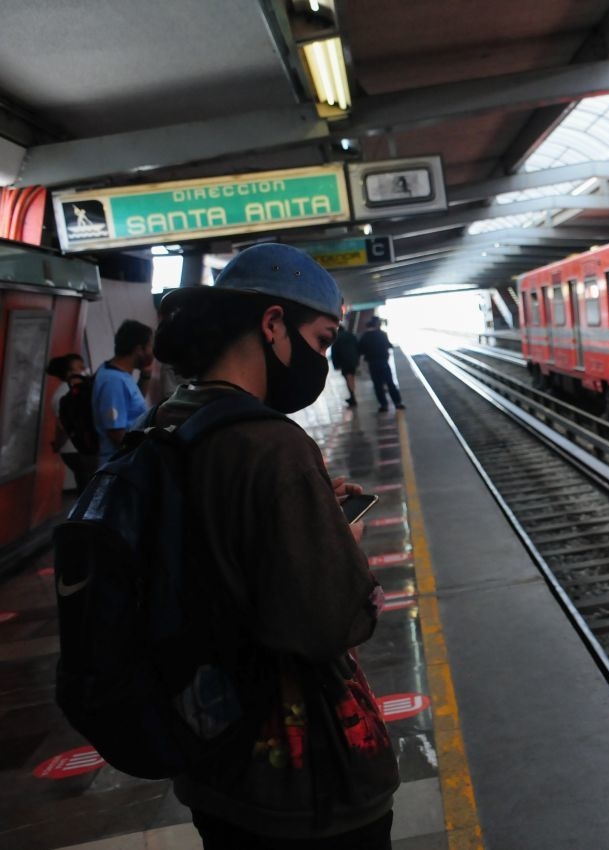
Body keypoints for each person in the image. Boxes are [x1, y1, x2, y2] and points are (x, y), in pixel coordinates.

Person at [153, 243, 399, 848]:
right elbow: (327, 621)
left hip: (212, 756)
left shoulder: (167, 423)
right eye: (320, 340)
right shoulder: (271, 445)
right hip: (300, 775)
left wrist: (303, 511)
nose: (321, 356)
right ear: (272, 324)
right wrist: (340, 540)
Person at [91, 319, 154, 467]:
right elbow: (116, 432)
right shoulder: (114, 381)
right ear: (139, 349)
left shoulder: (118, 374)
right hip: (120, 466)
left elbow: (132, 405)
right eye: (150, 346)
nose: (153, 352)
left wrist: (145, 375)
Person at [45, 353, 95, 492]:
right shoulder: (65, 394)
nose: (85, 369)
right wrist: (58, 444)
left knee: (87, 488)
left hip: (78, 449)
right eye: (80, 367)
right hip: (77, 450)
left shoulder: (80, 390)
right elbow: (65, 426)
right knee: (88, 489)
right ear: (69, 373)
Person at [357, 318, 404, 412]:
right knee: (390, 383)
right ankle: (397, 403)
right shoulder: (382, 334)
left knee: (378, 385)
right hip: (383, 362)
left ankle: (384, 405)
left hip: (372, 364)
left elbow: (360, 350)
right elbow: (389, 345)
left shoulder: (364, 336)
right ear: (375, 325)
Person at [330, 324, 360, 407]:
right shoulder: (351, 335)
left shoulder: (337, 338)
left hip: (344, 362)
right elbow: (358, 346)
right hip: (353, 360)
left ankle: (352, 397)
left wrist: (336, 365)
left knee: (348, 377)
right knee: (351, 377)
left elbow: (334, 352)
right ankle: (352, 396)